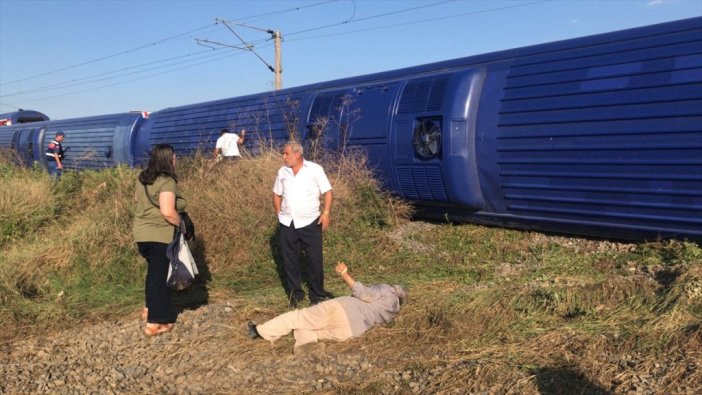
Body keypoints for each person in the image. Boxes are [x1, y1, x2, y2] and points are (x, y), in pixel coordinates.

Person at [247, 262, 407, 354]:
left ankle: (259, 331)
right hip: (351, 331)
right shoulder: (393, 311)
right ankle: (304, 347)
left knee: (298, 318)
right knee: (310, 330)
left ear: (396, 288)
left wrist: (345, 274)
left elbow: (364, 293)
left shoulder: (388, 290)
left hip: (343, 310)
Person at [132, 144, 185, 336]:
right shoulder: (167, 182)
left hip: (141, 234)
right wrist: (182, 224)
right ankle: (156, 322)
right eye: (174, 157)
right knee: (160, 277)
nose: (175, 160)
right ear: (167, 159)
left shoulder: (143, 178)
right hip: (159, 235)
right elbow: (167, 211)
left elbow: (137, 200)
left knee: (153, 274)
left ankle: (149, 308)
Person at [272, 141, 333, 308]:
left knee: (314, 259)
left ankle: (317, 295)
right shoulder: (282, 172)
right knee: (289, 259)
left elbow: (327, 192)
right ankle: (295, 294)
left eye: (286, 154)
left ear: (297, 154)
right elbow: (276, 194)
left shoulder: (314, 169)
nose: (284, 157)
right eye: (283, 154)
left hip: (310, 222)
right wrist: (279, 213)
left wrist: (326, 213)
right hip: (288, 223)